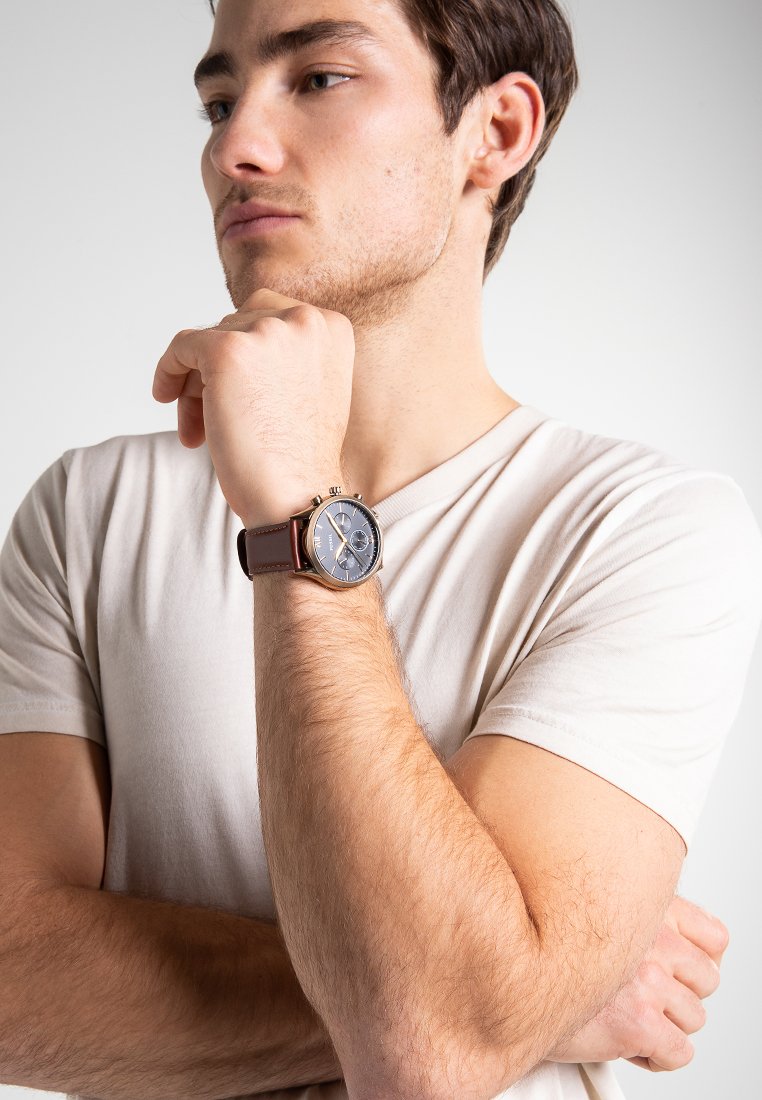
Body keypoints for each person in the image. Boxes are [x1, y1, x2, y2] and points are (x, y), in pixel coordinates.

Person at [0, 0, 759, 1098]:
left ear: (495, 132)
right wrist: (538, 1002)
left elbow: (427, 1052)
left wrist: (299, 506)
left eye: (317, 80)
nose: (232, 146)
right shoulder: (87, 509)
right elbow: (12, 980)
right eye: (219, 99)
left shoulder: (644, 531)